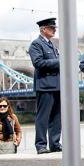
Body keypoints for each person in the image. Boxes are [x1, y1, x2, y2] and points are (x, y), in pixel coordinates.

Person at [29, 17, 61, 154]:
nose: (54, 29)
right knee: (43, 117)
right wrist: (60, 62)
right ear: (43, 29)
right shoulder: (36, 44)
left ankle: (55, 143)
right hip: (45, 85)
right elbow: (38, 63)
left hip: (57, 85)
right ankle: (41, 145)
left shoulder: (52, 45)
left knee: (56, 117)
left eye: (54, 27)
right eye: (51, 27)